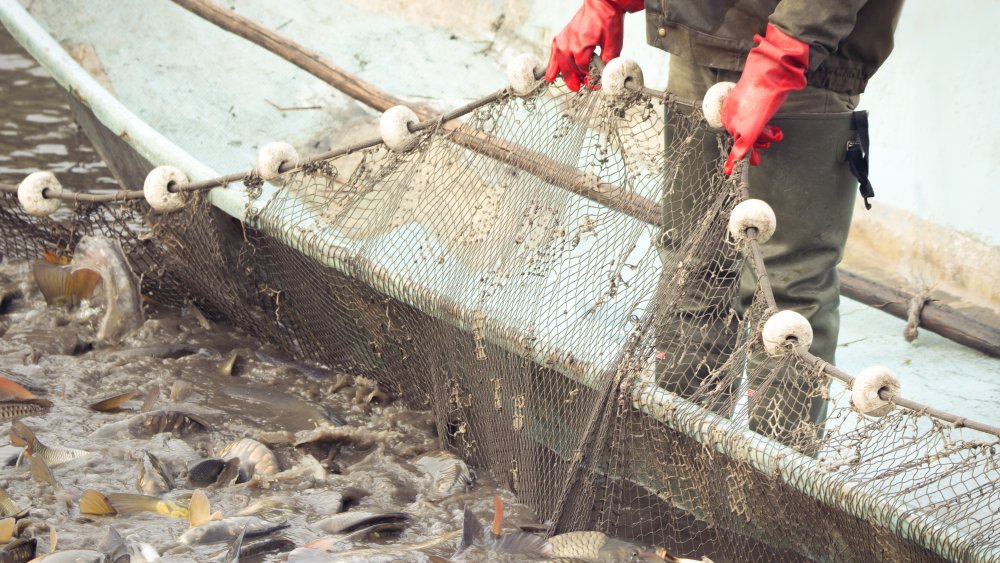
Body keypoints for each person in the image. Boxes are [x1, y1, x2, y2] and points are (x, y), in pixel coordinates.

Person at [545, 0, 903, 447]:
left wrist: (778, 61)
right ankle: (680, 469)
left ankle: (774, 490)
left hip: (809, 61)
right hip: (699, 35)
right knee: (691, 266)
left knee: (787, 302)